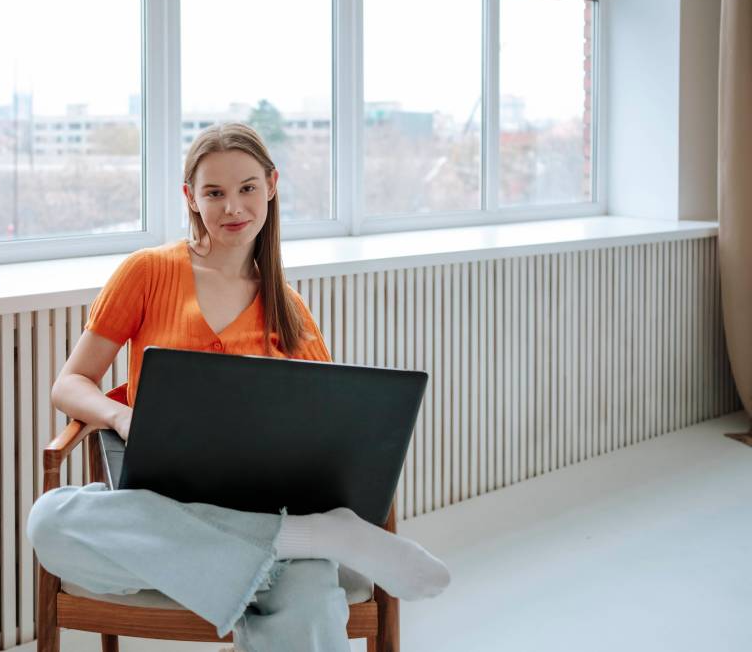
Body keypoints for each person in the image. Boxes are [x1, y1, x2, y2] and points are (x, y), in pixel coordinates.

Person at [27, 122, 450, 651]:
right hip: (160, 505)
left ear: (272, 185)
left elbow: (328, 426)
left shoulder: (288, 307)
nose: (233, 207)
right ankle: (308, 540)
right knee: (50, 522)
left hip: (259, 506)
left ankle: (286, 545)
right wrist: (120, 417)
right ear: (190, 198)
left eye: (248, 188)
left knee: (311, 596)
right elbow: (71, 383)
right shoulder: (147, 273)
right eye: (215, 193)